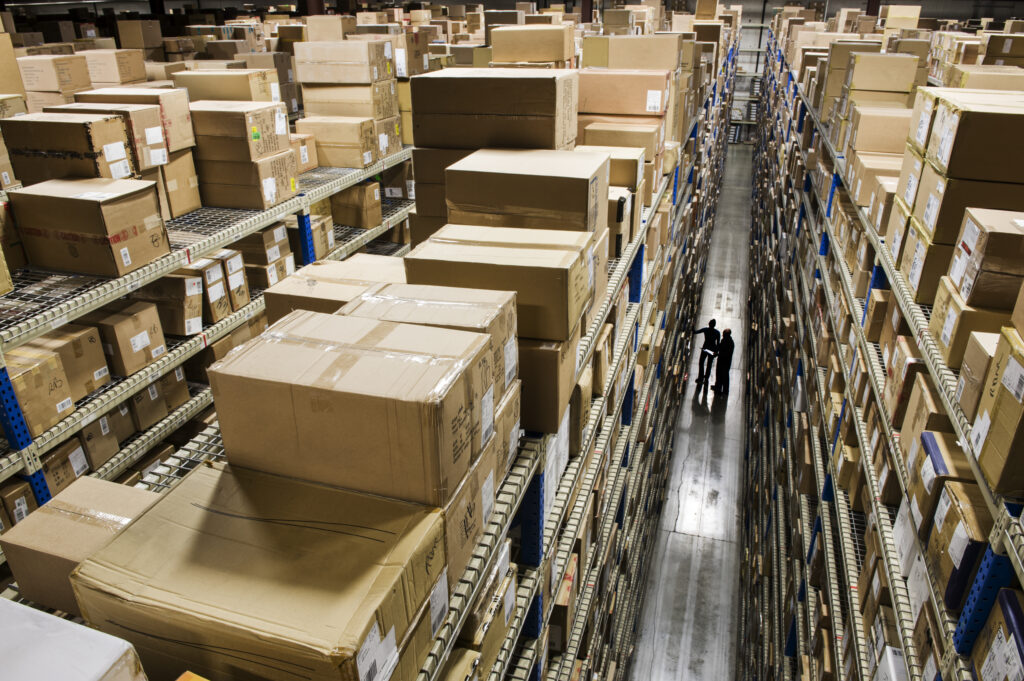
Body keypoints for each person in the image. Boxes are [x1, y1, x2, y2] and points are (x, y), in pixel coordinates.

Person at [694, 319, 720, 386]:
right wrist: (716, 352)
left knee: (701, 362)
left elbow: (695, 332)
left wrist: (692, 327)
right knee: (709, 364)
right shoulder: (717, 332)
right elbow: (718, 343)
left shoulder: (705, 330)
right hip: (712, 350)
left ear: (709, 324)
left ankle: (701, 377)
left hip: (705, 348)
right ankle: (706, 377)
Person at [714, 329, 735, 394]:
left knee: (725, 375)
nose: (722, 335)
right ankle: (718, 386)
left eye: (724, 334)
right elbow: (720, 347)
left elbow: (727, 353)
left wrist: (718, 353)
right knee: (719, 374)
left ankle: (725, 390)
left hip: (725, 361)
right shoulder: (724, 340)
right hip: (721, 360)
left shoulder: (730, 343)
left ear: (727, 335)